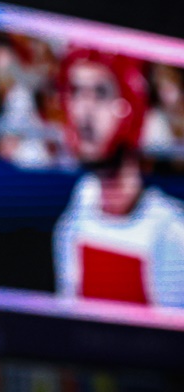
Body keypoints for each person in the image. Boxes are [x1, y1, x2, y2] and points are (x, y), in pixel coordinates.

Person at [52, 47, 184, 307]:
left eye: (101, 93)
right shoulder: (80, 204)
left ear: (131, 105)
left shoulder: (169, 232)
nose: (84, 113)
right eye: (76, 92)